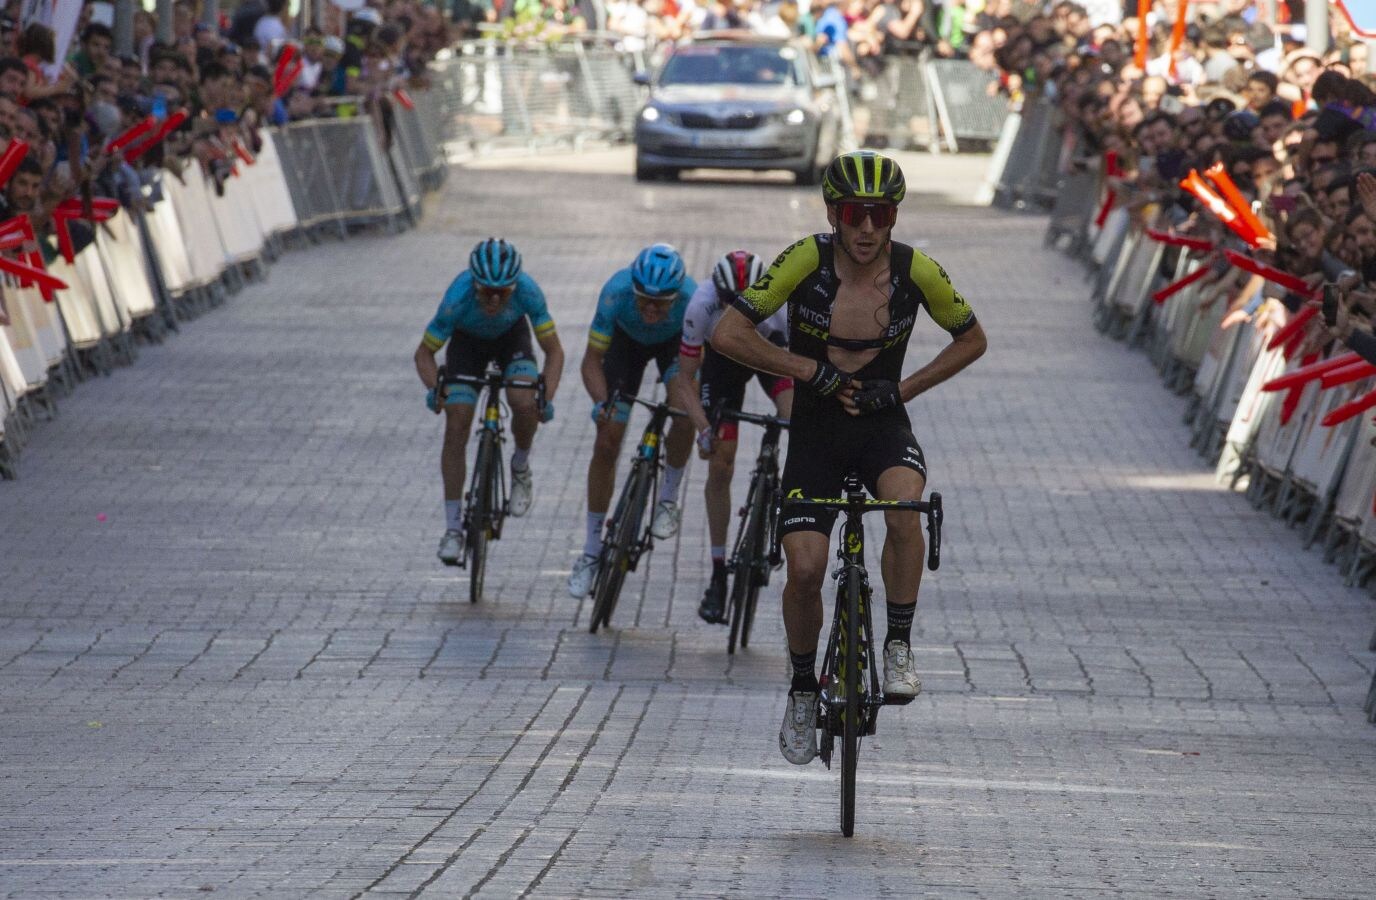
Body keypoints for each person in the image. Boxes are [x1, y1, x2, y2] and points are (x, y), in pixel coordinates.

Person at [712, 151, 987, 765]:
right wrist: (807, 370)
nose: (867, 229)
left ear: (893, 218)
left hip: (884, 423)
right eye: (854, 214)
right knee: (805, 569)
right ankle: (804, 687)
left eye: (880, 215)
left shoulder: (917, 270)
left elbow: (973, 338)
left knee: (903, 509)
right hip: (817, 430)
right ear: (834, 214)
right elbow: (728, 333)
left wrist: (904, 387)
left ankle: (898, 645)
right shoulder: (805, 260)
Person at [414, 238, 564, 565]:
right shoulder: (457, 298)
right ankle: (453, 529)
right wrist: (433, 388)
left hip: (512, 339)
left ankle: (520, 465)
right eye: (486, 292)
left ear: (514, 287)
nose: (494, 300)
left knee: (523, 400)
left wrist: (545, 397)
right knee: (457, 421)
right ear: (474, 284)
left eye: (503, 293)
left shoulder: (528, 291)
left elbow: (554, 352)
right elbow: (424, 354)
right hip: (467, 344)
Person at [669, 250, 794, 625]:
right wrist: (703, 427)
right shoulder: (701, 306)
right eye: (727, 302)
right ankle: (719, 571)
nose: (734, 309)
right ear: (717, 294)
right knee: (720, 464)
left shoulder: (781, 306)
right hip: (721, 366)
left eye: (746, 304)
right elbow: (685, 379)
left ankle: (779, 509)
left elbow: (801, 367)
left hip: (770, 354)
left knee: (797, 419)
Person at [567, 244, 697, 598]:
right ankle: (591, 552)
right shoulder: (615, 293)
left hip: (674, 346)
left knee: (684, 411)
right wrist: (600, 403)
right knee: (607, 439)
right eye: (645, 301)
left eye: (662, 303)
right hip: (626, 345)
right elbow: (591, 362)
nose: (652, 309)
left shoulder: (692, 299)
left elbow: (696, 370)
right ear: (634, 291)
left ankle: (667, 497)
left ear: (677, 296)